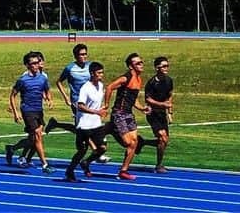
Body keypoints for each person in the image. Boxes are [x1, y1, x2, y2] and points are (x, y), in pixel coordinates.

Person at [103, 52, 150, 181]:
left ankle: (124, 170)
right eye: (138, 63)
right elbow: (109, 87)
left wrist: (142, 108)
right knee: (128, 142)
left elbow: (133, 98)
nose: (141, 64)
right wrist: (106, 105)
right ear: (131, 66)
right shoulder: (126, 78)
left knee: (134, 143)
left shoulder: (139, 79)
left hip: (129, 114)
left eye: (141, 62)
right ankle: (112, 129)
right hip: (119, 113)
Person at [5, 51, 54, 173]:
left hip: (39, 110)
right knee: (37, 136)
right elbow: (12, 96)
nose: (36, 65)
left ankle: (13, 149)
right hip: (27, 110)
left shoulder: (43, 78)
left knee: (34, 138)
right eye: (33, 64)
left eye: (37, 63)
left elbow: (47, 90)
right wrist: (16, 113)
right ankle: (44, 165)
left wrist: (49, 99)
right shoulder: (23, 80)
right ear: (27, 65)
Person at [65, 61, 109, 181]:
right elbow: (80, 106)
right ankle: (70, 171)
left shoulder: (100, 85)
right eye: (99, 73)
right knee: (82, 150)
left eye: (102, 72)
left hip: (96, 123)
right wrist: (96, 112)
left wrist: (102, 109)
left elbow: (98, 102)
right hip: (84, 124)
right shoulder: (85, 88)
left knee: (102, 148)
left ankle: (86, 162)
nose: (101, 75)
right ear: (92, 73)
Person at [46, 43, 89, 134]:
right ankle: (87, 146)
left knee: (86, 126)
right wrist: (66, 98)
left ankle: (55, 124)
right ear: (75, 56)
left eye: (85, 54)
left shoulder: (90, 66)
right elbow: (59, 82)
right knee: (81, 126)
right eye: (81, 54)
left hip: (89, 100)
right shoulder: (70, 68)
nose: (84, 56)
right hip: (77, 99)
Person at [144, 56, 173, 173]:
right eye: (164, 66)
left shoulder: (169, 80)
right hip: (153, 113)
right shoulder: (151, 83)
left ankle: (143, 142)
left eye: (167, 66)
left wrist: (170, 112)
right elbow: (148, 99)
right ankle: (159, 165)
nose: (166, 68)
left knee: (164, 141)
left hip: (162, 114)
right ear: (157, 68)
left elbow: (170, 96)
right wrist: (162, 105)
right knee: (163, 138)